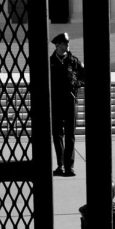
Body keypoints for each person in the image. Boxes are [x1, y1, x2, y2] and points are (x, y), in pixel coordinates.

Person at [50, 32, 85, 177]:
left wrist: (76, 85)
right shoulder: (50, 62)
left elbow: (84, 78)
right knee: (57, 134)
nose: (67, 46)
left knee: (70, 135)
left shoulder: (74, 61)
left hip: (70, 102)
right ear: (57, 45)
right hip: (56, 102)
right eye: (64, 44)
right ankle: (60, 165)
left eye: (67, 43)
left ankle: (69, 167)